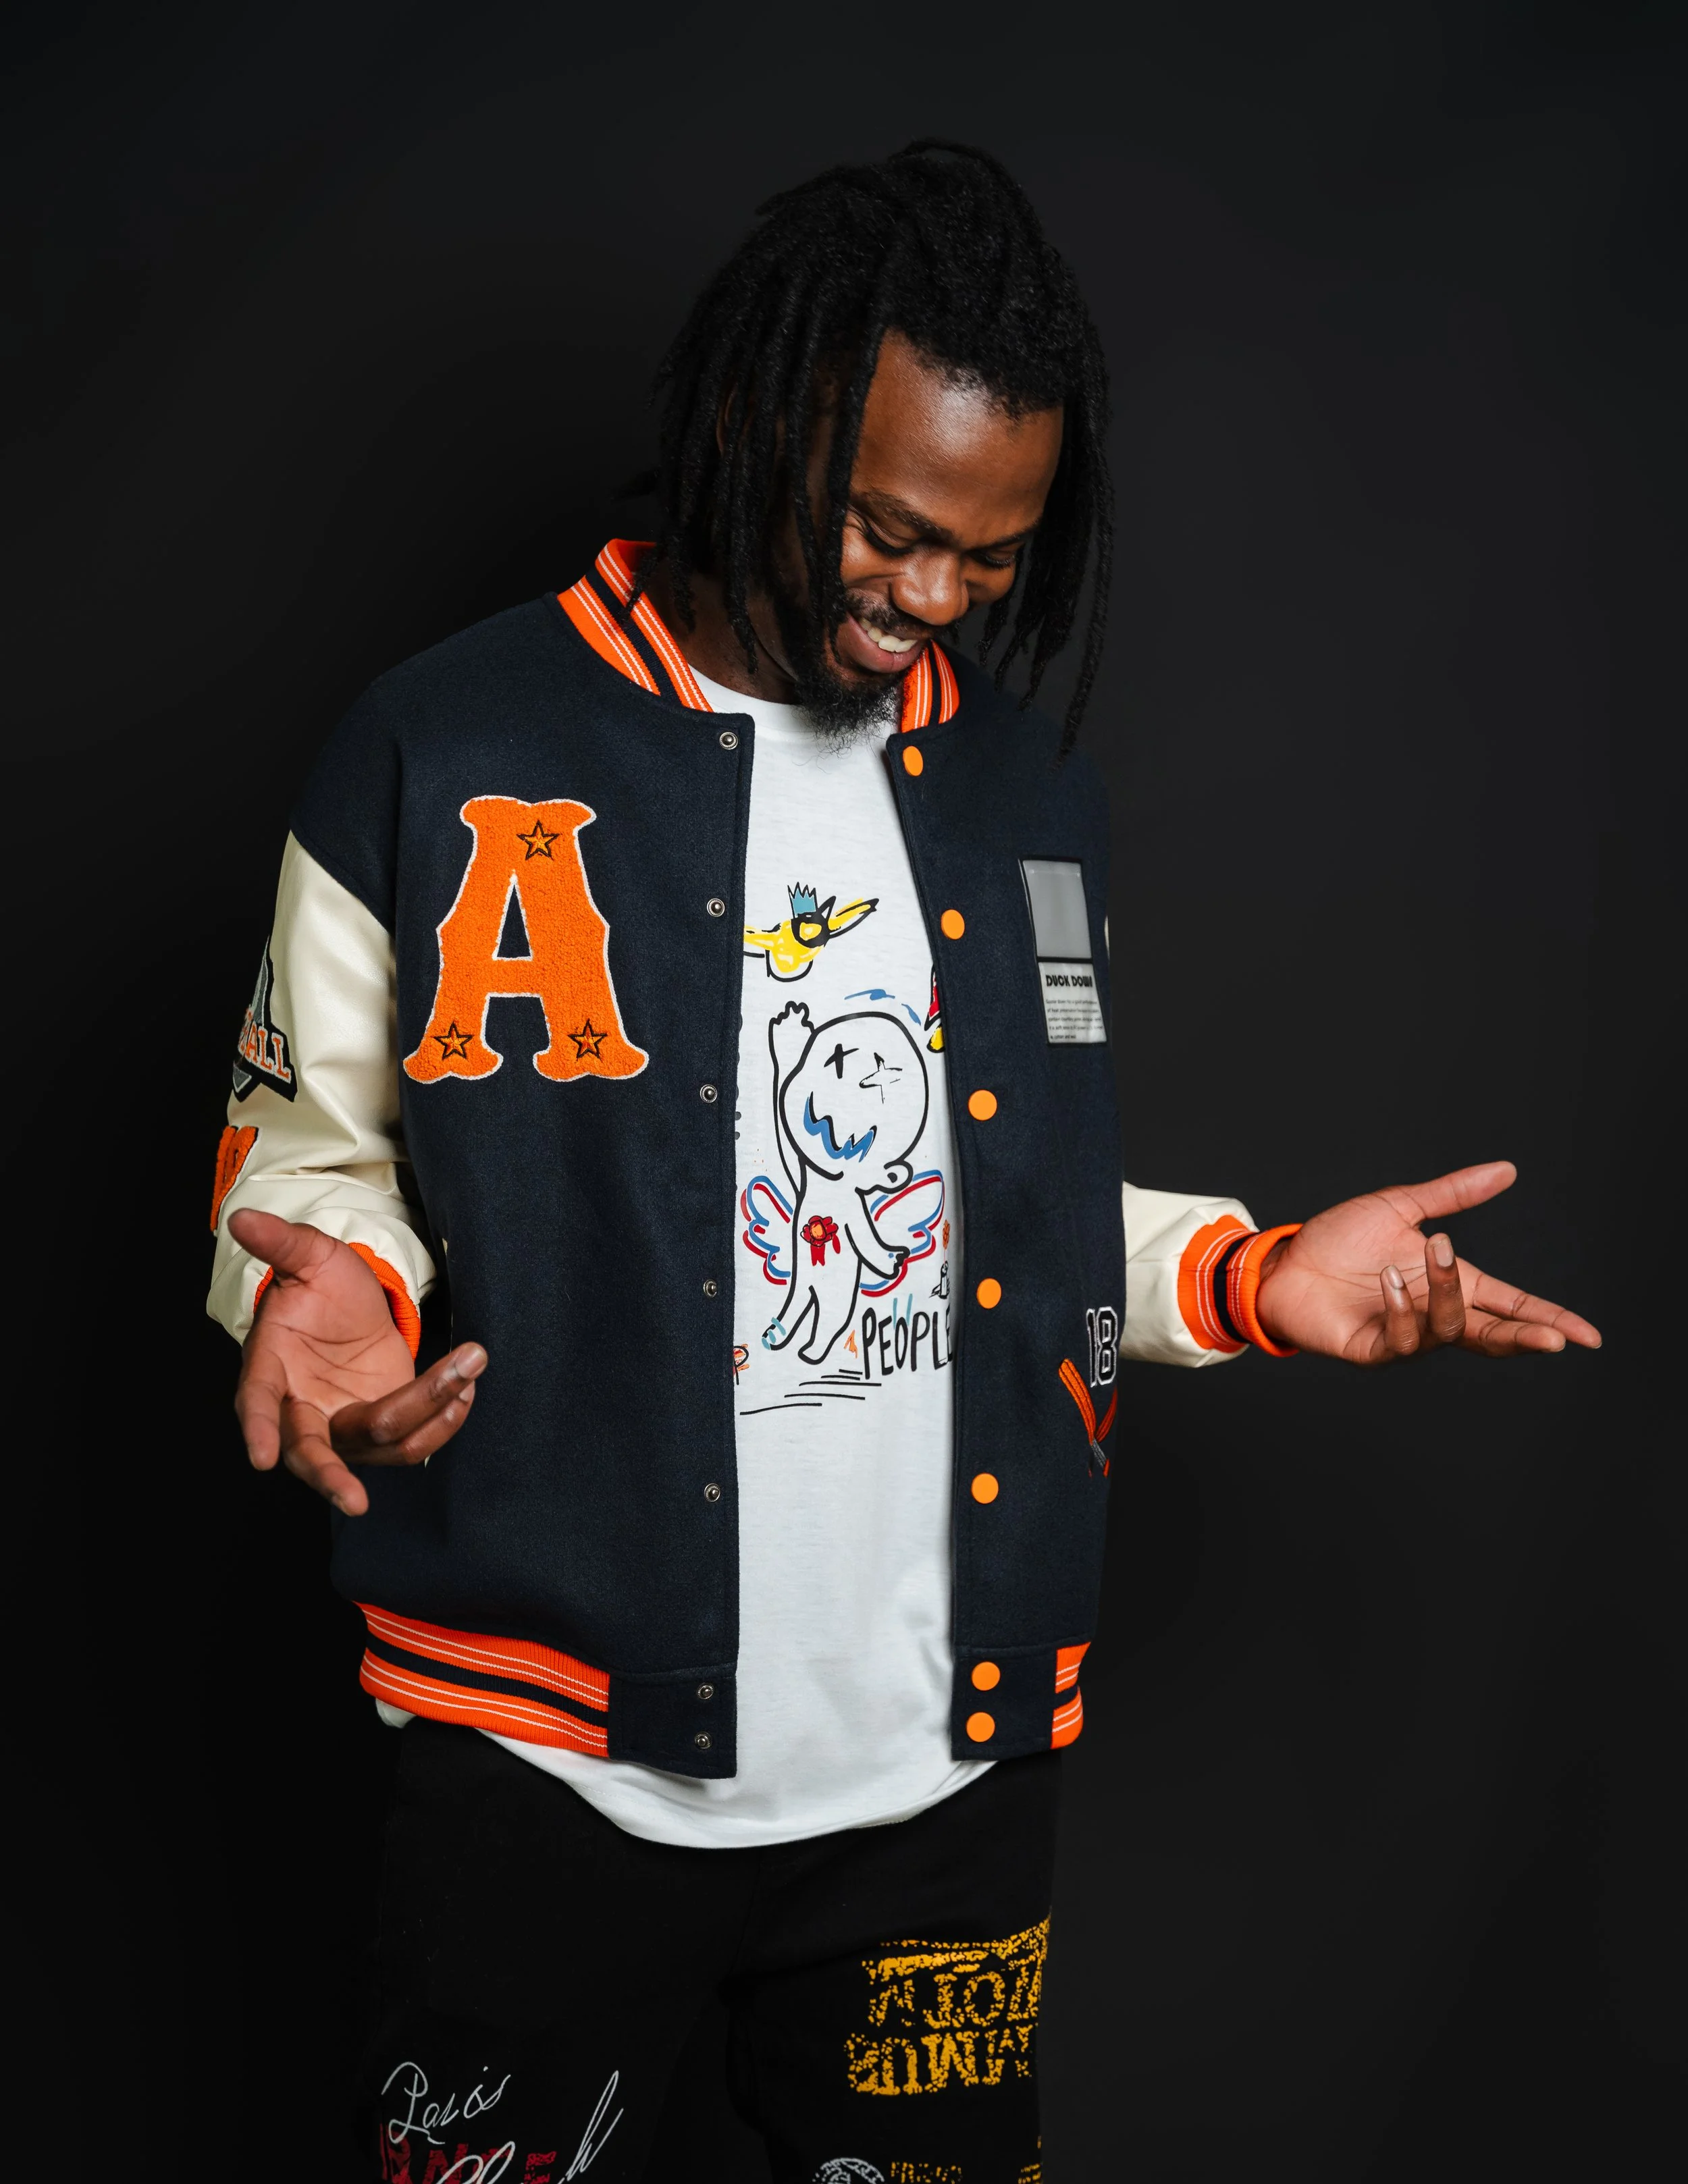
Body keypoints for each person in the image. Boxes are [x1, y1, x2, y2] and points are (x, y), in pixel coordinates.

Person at [207, 142, 1600, 2184]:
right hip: (541, 1760)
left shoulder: (1025, 792)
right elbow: (314, 1151)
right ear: (757, 424)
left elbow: (981, 1217)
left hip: (942, 1781)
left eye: (992, 556)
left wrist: (1250, 1275)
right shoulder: (439, 743)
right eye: (887, 527)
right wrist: (321, 1285)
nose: (933, 597)